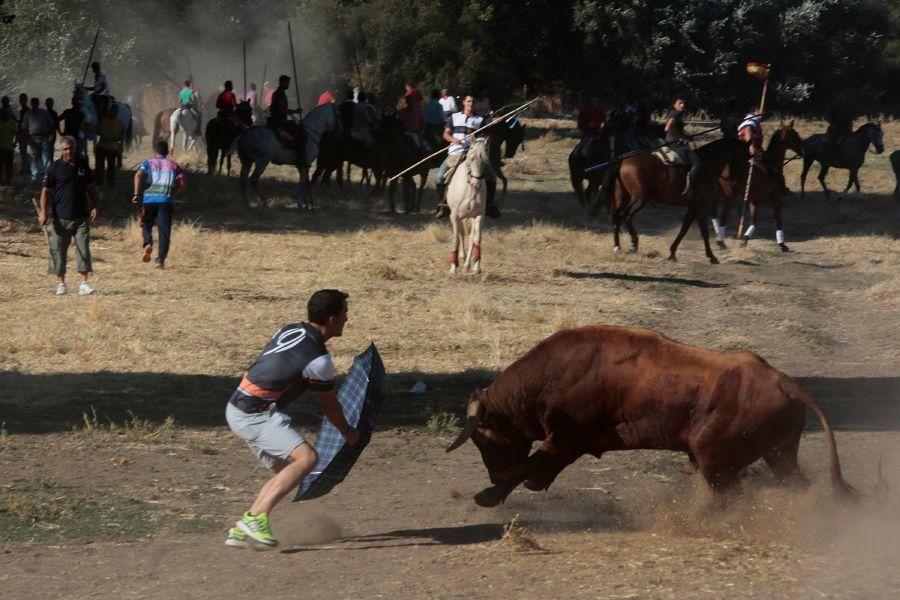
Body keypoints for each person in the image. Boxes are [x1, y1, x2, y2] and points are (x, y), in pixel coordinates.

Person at [224, 289, 359, 549]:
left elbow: (267, 365)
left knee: (289, 472)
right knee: (307, 459)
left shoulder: (290, 330)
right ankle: (255, 519)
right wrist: (348, 432)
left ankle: (241, 530)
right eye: (345, 314)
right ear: (332, 319)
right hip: (253, 412)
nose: (347, 319)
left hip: (238, 405)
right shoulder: (320, 360)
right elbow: (330, 408)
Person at [37, 136, 99, 296]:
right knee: (58, 250)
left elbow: (91, 188)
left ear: (75, 148)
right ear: (60, 150)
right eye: (65, 149)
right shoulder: (54, 168)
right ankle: (61, 283)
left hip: (81, 217)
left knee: (83, 248)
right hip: (60, 218)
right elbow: (45, 192)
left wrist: (96, 206)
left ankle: (84, 283)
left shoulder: (83, 165)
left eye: (71, 148)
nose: (69, 152)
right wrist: (43, 212)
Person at [433, 93, 499, 219]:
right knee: (439, 177)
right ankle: (443, 206)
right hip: (455, 152)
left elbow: (488, 136)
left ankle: (489, 205)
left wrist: (481, 138)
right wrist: (453, 140)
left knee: (492, 177)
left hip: (473, 153)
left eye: (473, 102)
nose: (471, 104)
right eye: (468, 101)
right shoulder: (454, 117)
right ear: (463, 102)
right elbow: (446, 134)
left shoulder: (481, 120)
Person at [133, 140, 185, 269]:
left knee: (146, 224)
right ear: (167, 152)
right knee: (164, 232)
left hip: (149, 200)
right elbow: (182, 183)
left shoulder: (148, 163)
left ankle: (148, 244)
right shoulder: (174, 165)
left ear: (155, 151)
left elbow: (138, 175)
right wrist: (173, 191)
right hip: (166, 201)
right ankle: (160, 260)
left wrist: (136, 194)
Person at [664, 97, 700, 199]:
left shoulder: (674, 113)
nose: (682, 105)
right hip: (675, 143)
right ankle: (689, 188)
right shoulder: (675, 113)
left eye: (684, 103)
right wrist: (679, 138)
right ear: (674, 104)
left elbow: (675, 129)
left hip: (672, 141)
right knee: (697, 163)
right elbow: (668, 128)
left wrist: (686, 137)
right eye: (680, 103)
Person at [267, 75, 305, 163]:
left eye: (288, 82)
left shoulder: (281, 93)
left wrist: (292, 114)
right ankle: (300, 159)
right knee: (300, 134)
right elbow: (281, 109)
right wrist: (295, 111)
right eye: (287, 82)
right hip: (279, 122)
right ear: (281, 83)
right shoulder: (279, 94)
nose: (288, 84)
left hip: (280, 120)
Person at [24, 97, 55, 180]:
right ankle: (34, 175)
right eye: (33, 103)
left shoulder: (44, 112)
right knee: (33, 157)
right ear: (31, 104)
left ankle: (48, 175)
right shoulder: (28, 114)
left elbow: (51, 124)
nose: (34, 104)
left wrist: (51, 135)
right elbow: (24, 128)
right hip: (32, 137)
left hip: (44, 137)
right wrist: (28, 139)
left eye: (36, 103)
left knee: (46, 157)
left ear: (38, 103)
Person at [94, 104, 124, 188]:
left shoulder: (120, 124)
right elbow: (97, 130)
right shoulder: (103, 120)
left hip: (112, 149)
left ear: (117, 113)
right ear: (110, 112)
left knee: (111, 168)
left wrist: (113, 139)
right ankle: (99, 182)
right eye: (112, 111)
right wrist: (103, 134)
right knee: (99, 167)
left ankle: (110, 184)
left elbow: (121, 137)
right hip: (102, 147)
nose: (114, 113)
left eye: (115, 112)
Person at [0, 98, 16, 185]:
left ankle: (8, 180)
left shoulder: (11, 120)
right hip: (2, 145)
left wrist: (15, 142)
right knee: (2, 164)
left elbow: (16, 132)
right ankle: (3, 180)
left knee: (8, 164)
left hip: (9, 145)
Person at [16, 93, 30, 176]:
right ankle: (26, 168)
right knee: (24, 151)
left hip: (25, 133)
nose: (21, 101)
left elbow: (24, 123)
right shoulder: (24, 110)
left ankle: (26, 169)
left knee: (24, 151)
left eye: (23, 100)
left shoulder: (25, 110)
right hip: (24, 132)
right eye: (21, 100)